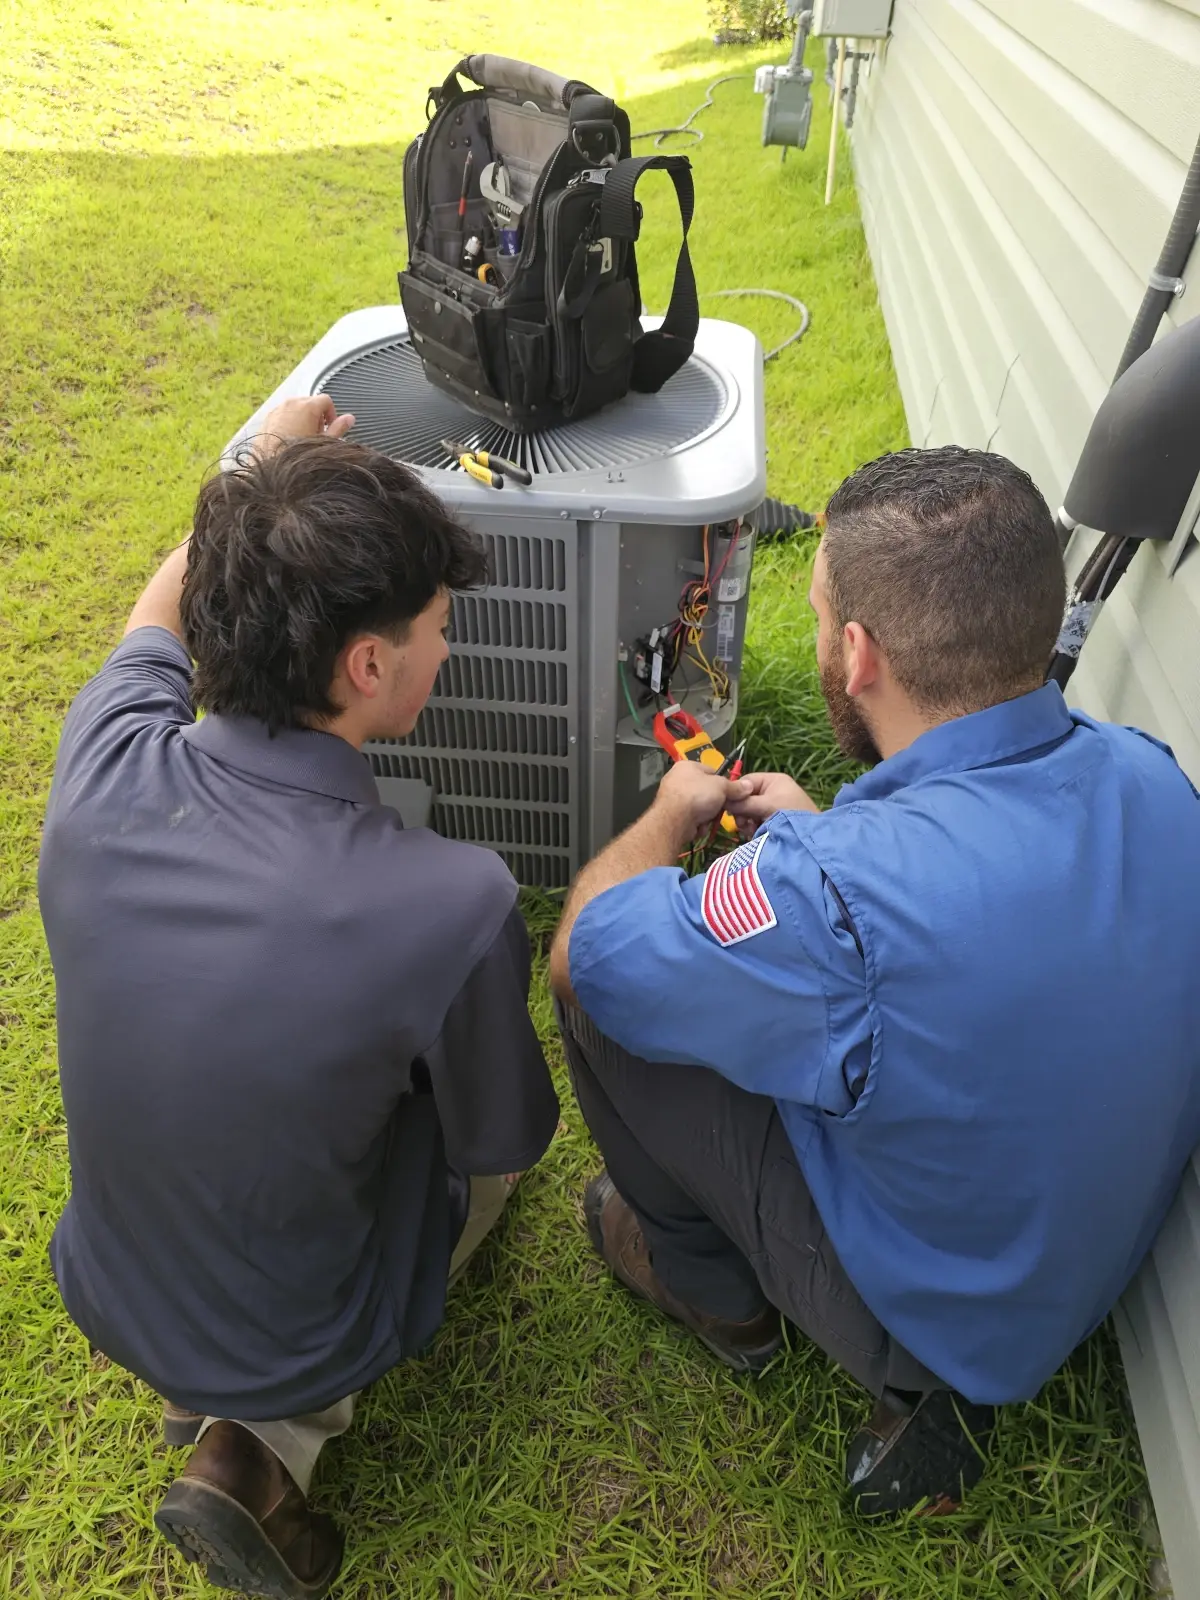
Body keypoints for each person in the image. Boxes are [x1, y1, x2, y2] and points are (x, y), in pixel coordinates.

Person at [549, 444, 1200, 1515]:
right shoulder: (1152, 770)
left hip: (947, 1310)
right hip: (1078, 1264)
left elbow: (594, 953)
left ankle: (727, 1304)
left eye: (814, 619)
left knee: (603, 1001)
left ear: (858, 654)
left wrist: (670, 816)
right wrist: (833, 831)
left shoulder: (830, 899)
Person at [39, 396, 557, 1599]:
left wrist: (255, 461)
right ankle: (264, 1447)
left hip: (109, 1289)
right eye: (438, 629)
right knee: (486, 1164)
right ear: (370, 665)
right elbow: (501, 1134)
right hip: (303, 1333)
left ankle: (200, 1393)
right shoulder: (456, 899)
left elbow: (163, 598)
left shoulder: (101, 761)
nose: (448, 650)